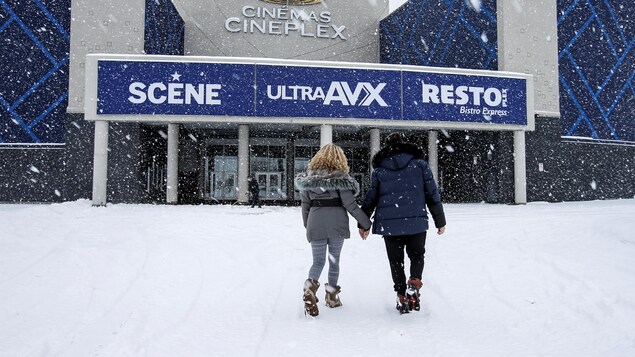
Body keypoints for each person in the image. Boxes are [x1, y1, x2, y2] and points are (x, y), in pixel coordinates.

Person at [358, 132, 446, 314]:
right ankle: (414, 283)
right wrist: (440, 220)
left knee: (396, 261)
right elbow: (432, 194)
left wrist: (363, 223)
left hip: (390, 226)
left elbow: (370, 198)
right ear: (404, 144)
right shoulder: (420, 165)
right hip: (416, 220)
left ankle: (401, 296)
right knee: (417, 255)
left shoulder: (380, 170)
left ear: (386, 147)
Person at [294, 144, 371, 317]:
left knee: (318, 261)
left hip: (315, 221)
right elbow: (350, 205)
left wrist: (309, 225)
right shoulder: (341, 179)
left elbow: (305, 206)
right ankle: (331, 297)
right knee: (334, 260)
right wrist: (366, 224)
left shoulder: (307, 179)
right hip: (337, 223)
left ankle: (309, 290)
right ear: (339, 159)